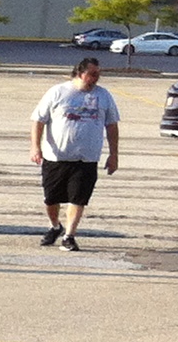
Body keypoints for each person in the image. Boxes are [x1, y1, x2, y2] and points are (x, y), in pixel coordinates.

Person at [28, 57, 119, 250]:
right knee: (51, 199)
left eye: (98, 74)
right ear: (80, 73)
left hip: (87, 158)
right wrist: (35, 147)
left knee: (78, 198)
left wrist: (114, 155)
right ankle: (55, 226)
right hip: (56, 156)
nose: (96, 78)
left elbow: (112, 126)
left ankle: (69, 236)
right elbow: (38, 120)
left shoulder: (103, 96)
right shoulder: (58, 92)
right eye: (92, 74)